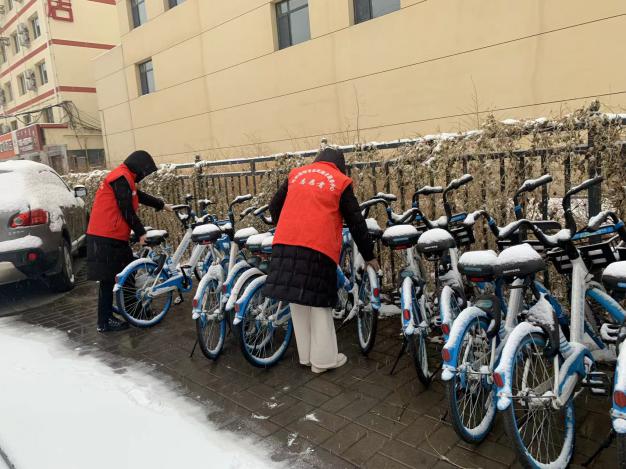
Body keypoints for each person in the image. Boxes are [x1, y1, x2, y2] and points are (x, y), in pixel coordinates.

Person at [264, 147, 379, 373]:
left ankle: (306, 357)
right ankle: (323, 361)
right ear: (340, 166)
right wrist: (369, 255)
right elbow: (356, 222)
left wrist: (288, 225)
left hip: (285, 242)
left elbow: (274, 206)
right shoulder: (340, 181)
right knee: (319, 303)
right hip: (318, 247)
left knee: (297, 302)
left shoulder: (296, 174)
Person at [86, 150, 173, 333]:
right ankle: (104, 321)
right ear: (139, 167)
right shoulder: (121, 178)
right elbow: (126, 209)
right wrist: (141, 233)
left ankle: (132, 312)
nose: (144, 176)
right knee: (109, 279)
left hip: (108, 235)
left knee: (125, 274)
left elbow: (138, 196)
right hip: (106, 236)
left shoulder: (124, 177)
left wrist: (161, 205)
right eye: (145, 172)